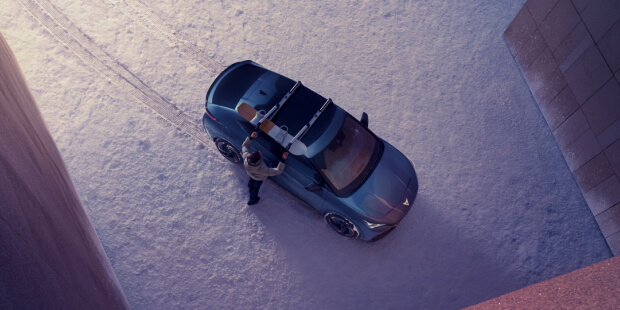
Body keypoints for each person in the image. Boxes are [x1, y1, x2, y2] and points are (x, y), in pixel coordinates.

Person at [242, 131, 289, 205]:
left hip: (250, 173)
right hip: (259, 179)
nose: (261, 153)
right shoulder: (262, 169)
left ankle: (250, 187)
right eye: (260, 155)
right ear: (258, 160)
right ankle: (252, 200)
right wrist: (282, 160)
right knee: (256, 188)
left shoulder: (246, 157)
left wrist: (251, 137)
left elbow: (245, 145)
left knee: (251, 180)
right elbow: (278, 171)